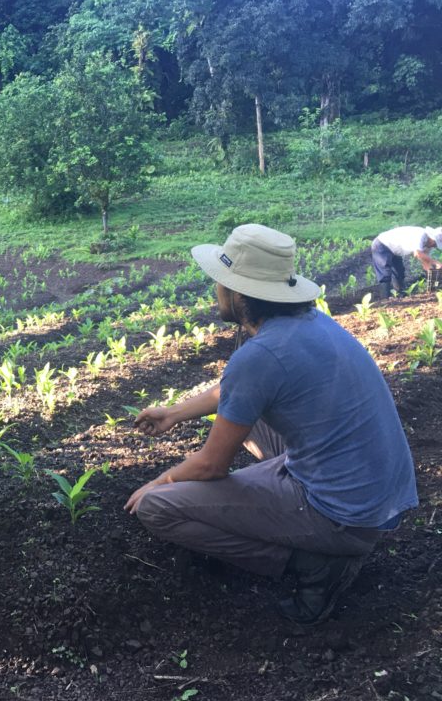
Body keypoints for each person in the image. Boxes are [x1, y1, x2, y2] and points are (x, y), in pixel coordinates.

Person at [125, 224, 418, 625]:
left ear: (238, 294)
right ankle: (292, 513)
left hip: (341, 514)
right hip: (373, 494)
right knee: (252, 421)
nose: (216, 290)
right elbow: (236, 390)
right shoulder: (309, 324)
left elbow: (212, 466)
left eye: (220, 282)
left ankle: (315, 564)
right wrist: (175, 413)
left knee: (159, 509)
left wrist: (157, 483)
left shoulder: (261, 355)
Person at [370, 225, 442, 299]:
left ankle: (399, 295)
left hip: (395, 250)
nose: (434, 246)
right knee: (385, 273)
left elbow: (426, 262)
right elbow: (417, 253)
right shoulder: (420, 235)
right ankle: (384, 299)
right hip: (382, 244)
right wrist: (435, 262)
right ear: (432, 238)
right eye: (435, 243)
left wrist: (433, 275)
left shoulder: (428, 245)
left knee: (399, 271)